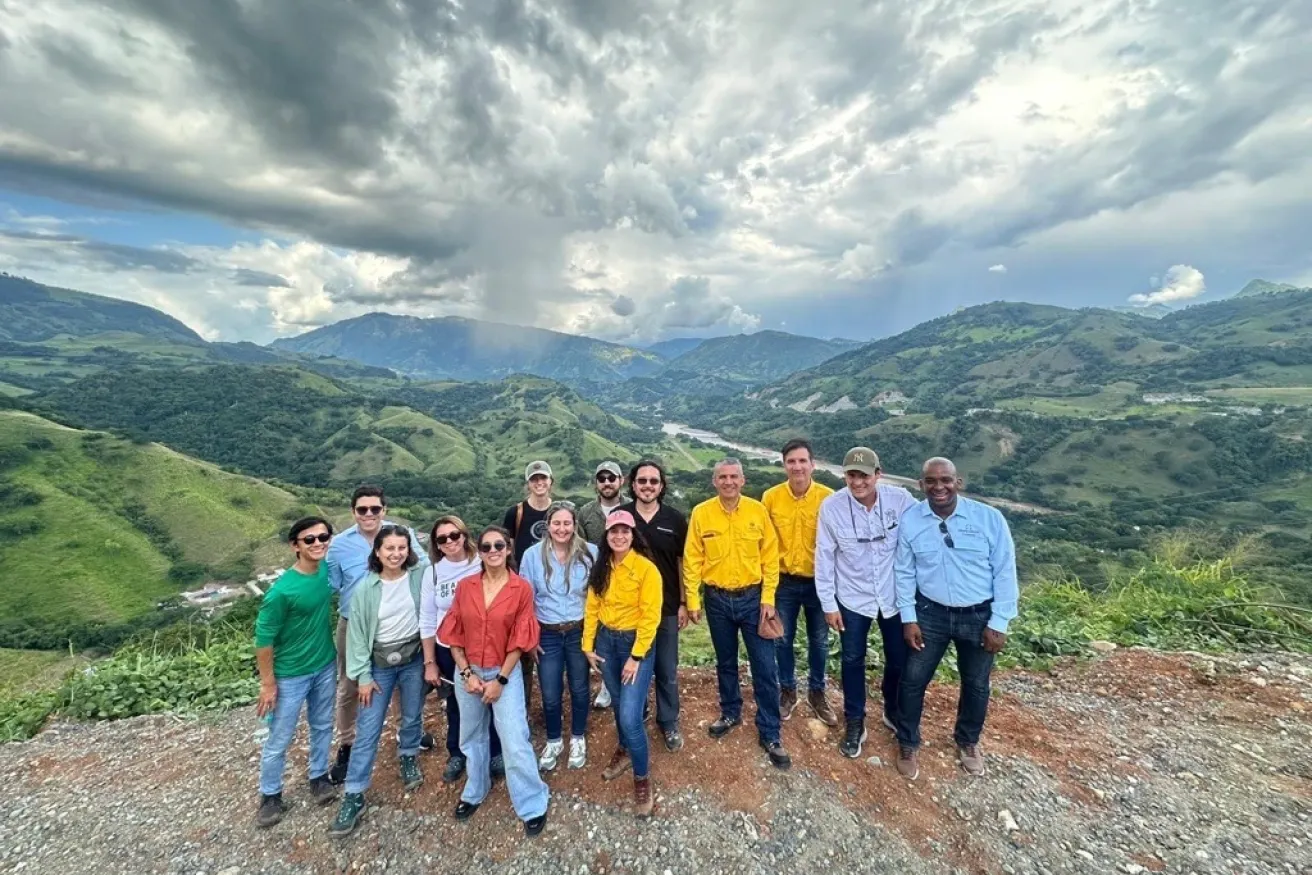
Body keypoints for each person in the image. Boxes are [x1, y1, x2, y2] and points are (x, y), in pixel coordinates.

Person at [893, 457, 1019, 781]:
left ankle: (968, 740)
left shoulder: (989, 519)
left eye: (945, 480)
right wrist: (909, 617)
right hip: (929, 613)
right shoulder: (911, 521)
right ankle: (907, 741)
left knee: (976, 684)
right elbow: (904, 572)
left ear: (957, 482)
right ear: (920, 485)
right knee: (912, 679)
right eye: (931, 481)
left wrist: (999, 622)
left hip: (978, 615)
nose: (939, 487)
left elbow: (1005, 572)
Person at [438, 525, 550, 837]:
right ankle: (475, 789)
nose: (492, 551)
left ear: (508, 548)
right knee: (471, 736)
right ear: (480, 550)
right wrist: (465, 674)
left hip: (505, 672)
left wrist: (500, 679)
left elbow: (519, 640)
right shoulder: (466, 587)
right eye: (486, 546)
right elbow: (454, 634)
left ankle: (532, 802)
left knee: (514, 738)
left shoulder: (521, 589)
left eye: (498, 545)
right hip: (469, 671)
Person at [683, 458, 791, 769]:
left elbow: (770, 558)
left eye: (734, 477)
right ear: (714, 481)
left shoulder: (757, 511)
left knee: (765, 668)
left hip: (754, 600)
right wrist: (693, 600)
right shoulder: (702, 513)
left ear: (743, 481)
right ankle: (730, 712)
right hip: (717, 600)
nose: (728, 482)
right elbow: (692, 559)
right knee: (726, 663)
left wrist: (768, 598)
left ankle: (770, 731)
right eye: (722, 477)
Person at [815, 447, 918, 759]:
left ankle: (892, 709)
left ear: (878, 474)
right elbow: (824, 557)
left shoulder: (901, 500)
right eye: (851, 475)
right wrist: (828, 603)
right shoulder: (831, 507)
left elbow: (922, 533)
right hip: (852, 598)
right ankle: (855, 721)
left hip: (893, 596)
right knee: (851, 660)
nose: (857, 482)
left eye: (863, 475)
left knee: (899, 660)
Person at [330, 525, 429, 837]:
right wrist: (363, 676)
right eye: (390, 549)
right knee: (369, 728)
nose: (396, 554)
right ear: (377, 552)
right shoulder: (366, 589)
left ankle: (408, 756)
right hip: (379, 664)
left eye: (402, 548)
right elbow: (357, 636)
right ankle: (354, 793)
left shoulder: (418, 574)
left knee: (412, 715)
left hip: (412, 656)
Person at [253, 517, 340, 828]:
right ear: (295, 546)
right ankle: (270, 794)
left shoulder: (326, 571)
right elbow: (263, 639)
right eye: (309, 540)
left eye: (322, 537)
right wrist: (267, 683)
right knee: (280, 735)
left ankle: (319, 775)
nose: (318, 543)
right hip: (290, 673)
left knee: (322, 724)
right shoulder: (280, 592)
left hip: (325, 664)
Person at [583, 510, 663, 819]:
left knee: (630, 714)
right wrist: (587, 645)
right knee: (617, 702)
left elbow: (650, 616)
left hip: (634, 645)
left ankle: (642, 778)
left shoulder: (646, 570)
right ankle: (626, 747)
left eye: (624, 531)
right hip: (606, 642)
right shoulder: (601, 568)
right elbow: (592, 607)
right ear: (606, 535)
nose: (619, 536)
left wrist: (636, 656)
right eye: (613, 531)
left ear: (633, 535)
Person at [418, 515, 502, 785]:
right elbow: (428, 617)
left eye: (455, 535)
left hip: (484, 644)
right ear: (437, 545)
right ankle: (458, 752)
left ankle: (495, 752)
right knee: (456, 701)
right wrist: (429, 661)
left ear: (465, 535)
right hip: (447, 647)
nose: (450, 541)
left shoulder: (482, 561)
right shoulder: (432, 572)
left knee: (490, 697)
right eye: (443, 538)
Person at [761, 438, 838, 728]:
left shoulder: (829, 498)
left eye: (802, 461)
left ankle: (818, 692)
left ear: (812, 464)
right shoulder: (770, 497)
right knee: (783, 638)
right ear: (784, 465)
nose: (797, 467)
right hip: (783, 581)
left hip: (821, 583)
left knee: (819, 640)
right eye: (791, 461)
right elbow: (764, 543)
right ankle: (788, 689)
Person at [618, 458, 689, 751]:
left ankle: (668, 721)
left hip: (667, 607)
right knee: (632, 666)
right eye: (642, 481)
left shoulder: (675, 519)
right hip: (628, 609)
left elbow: (682, 563)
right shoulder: (621, 516)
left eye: (653, 481)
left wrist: (685, 601)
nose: (648, 486)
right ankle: (637, 715)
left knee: (666, 667)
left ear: (661, 486)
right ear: (633, 485)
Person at [519, 502, 597, 771]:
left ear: (574, 526)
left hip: (578, 630)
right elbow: (525, 599)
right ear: (548, 526)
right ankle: (554, 740)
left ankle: (577, 737)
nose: (562, 529)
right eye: (557, 523)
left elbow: (598, 594)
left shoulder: (590, 553)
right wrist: (531, 637)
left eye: (567, 523)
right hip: (547, 633)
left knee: (579, 687)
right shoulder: (531, 556)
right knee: (550, 692)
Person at [502, 460, 556, 565]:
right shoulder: (515, 513)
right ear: (528, 484)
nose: (539, 483)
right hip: (523, 573)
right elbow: (507, 549)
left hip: (553, 571)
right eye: (534, 479)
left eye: (543, 478)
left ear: (551, 481)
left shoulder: (559, 512)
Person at [578, 461, 626, 545]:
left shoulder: (633, 508)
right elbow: (581, 546)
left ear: (621, 480)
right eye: (601, 479)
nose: (607, 483)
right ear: (596, 482)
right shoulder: (584, 512)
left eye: (612, 478)